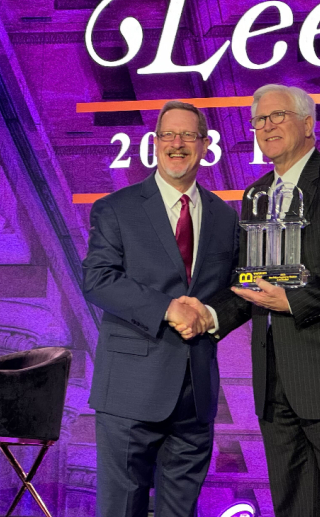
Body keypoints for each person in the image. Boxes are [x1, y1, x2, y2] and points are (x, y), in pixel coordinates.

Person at [194, 84, 320, 517]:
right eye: (259, 120)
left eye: (277, 116)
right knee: (293, 507)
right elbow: (248, 281)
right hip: (274, 380)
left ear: (308, 123)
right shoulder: (255, 196)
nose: (267, 126)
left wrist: (293, 301)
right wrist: (210, 314)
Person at [82, 100, 238, 517]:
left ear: (206, 145)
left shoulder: (225, 217)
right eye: (168, 134)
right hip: (131, 391)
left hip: (195, 396)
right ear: (154, 144)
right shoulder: (116, 208)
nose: (177, 144)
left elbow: (238, 290)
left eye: (188, 135)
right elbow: (98, 280)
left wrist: (211, 315)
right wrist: (169, 308)